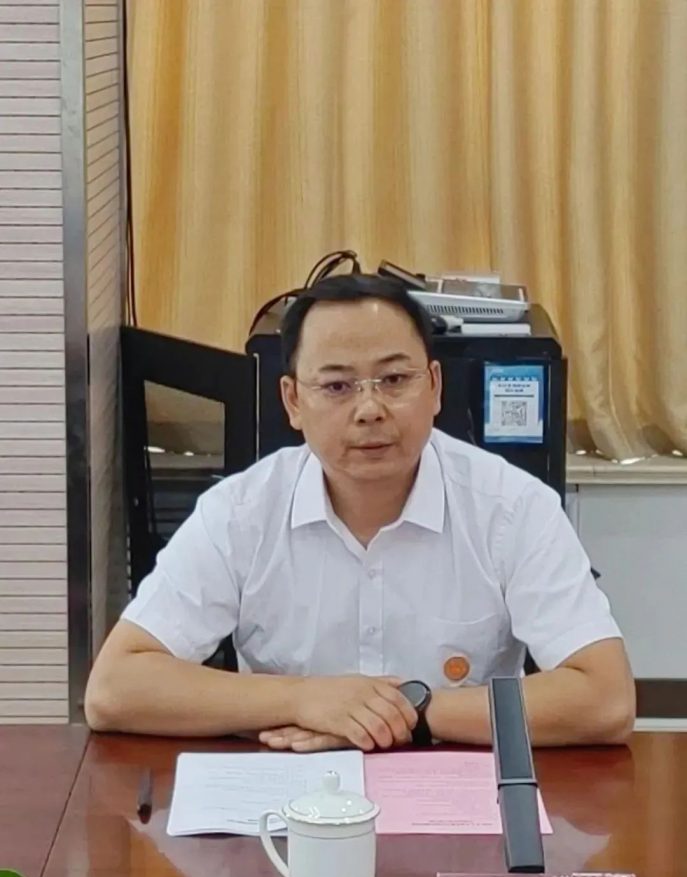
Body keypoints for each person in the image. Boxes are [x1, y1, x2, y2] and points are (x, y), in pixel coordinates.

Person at [85, 274, 635, 750]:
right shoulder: (240, 513)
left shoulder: (513, 508)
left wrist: (410, 713)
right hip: (288, 794)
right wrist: (305, 700)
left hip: (456, 792)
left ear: (435, 387)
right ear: (293, 401)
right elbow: (114, 689)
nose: (369, 409)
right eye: (337, 386)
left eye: (394, 380)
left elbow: (605, 699)